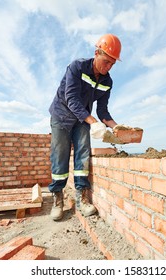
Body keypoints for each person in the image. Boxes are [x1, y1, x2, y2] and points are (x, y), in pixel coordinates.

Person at [48, 34, 122, 221]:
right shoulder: (77, 67)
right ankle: (58, 198)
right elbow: (71, 99)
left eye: (112, 64)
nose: (108, 67)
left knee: (83, 155)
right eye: (106, 62)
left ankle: (82, 198)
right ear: (96, 53)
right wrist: (93, 122)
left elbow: (103, 111)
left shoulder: (107, 82)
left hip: (82, 119)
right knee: (60, 155)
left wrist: (117, 127)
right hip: (62, 116)